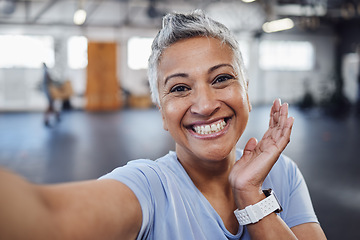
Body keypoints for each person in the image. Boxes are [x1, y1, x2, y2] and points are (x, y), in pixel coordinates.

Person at [0, 10, 326, 240]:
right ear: (161, 111)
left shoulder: (283, 173)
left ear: (246, 90)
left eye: (222, 78)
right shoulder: (149, 189)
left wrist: (250, 193)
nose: (205, 104)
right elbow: (47, 219)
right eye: (180, 88)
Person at [42, 62, 60, 127]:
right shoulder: (46, 72)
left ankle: (57, 116)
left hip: (48, 90)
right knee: (50, 104)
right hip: (48, 90)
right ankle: (46, 119)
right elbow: (49, 80)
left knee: (52, 104)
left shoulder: (45, 71)